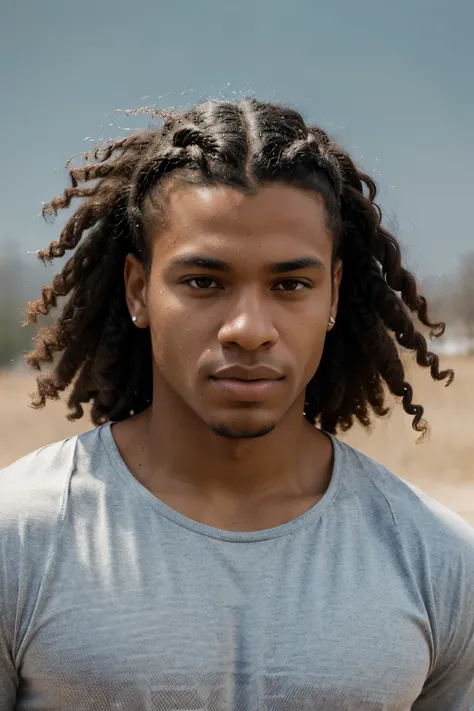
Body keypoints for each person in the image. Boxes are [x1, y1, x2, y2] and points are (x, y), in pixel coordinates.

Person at [0, 98, 473, 711]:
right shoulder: (20, 538)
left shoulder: (437, 560)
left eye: (290, 285)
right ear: (139, 291)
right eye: (204, 282)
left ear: (332, 293)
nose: (248, 328)